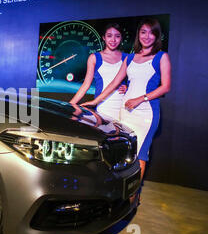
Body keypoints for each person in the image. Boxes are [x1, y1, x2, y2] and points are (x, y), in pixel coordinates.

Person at [82, 18, 171, 183]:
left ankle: (133, 195)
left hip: (146, 113)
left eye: (152, 33)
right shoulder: (130, 58)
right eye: (143, 32)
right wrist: (96, 101)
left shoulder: (161, 57)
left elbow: (165, 87)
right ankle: (121, 192)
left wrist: (140, 99)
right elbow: (114, 83)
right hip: (125, 112)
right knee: (124, 153)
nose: (147, 36)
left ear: (157, 36)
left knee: (141, 155)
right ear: (138, 34)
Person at [70, 23, 127, 120]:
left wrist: (127, 86)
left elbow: (134, 81)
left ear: (121, 38)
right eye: (109, 36)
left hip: (125, 107)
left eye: (117, 36)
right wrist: (71, 104)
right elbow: (86, 85)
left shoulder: (127, 57)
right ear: (103, 37)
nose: (113, 40)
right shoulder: (94, 58)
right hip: (103, 106)